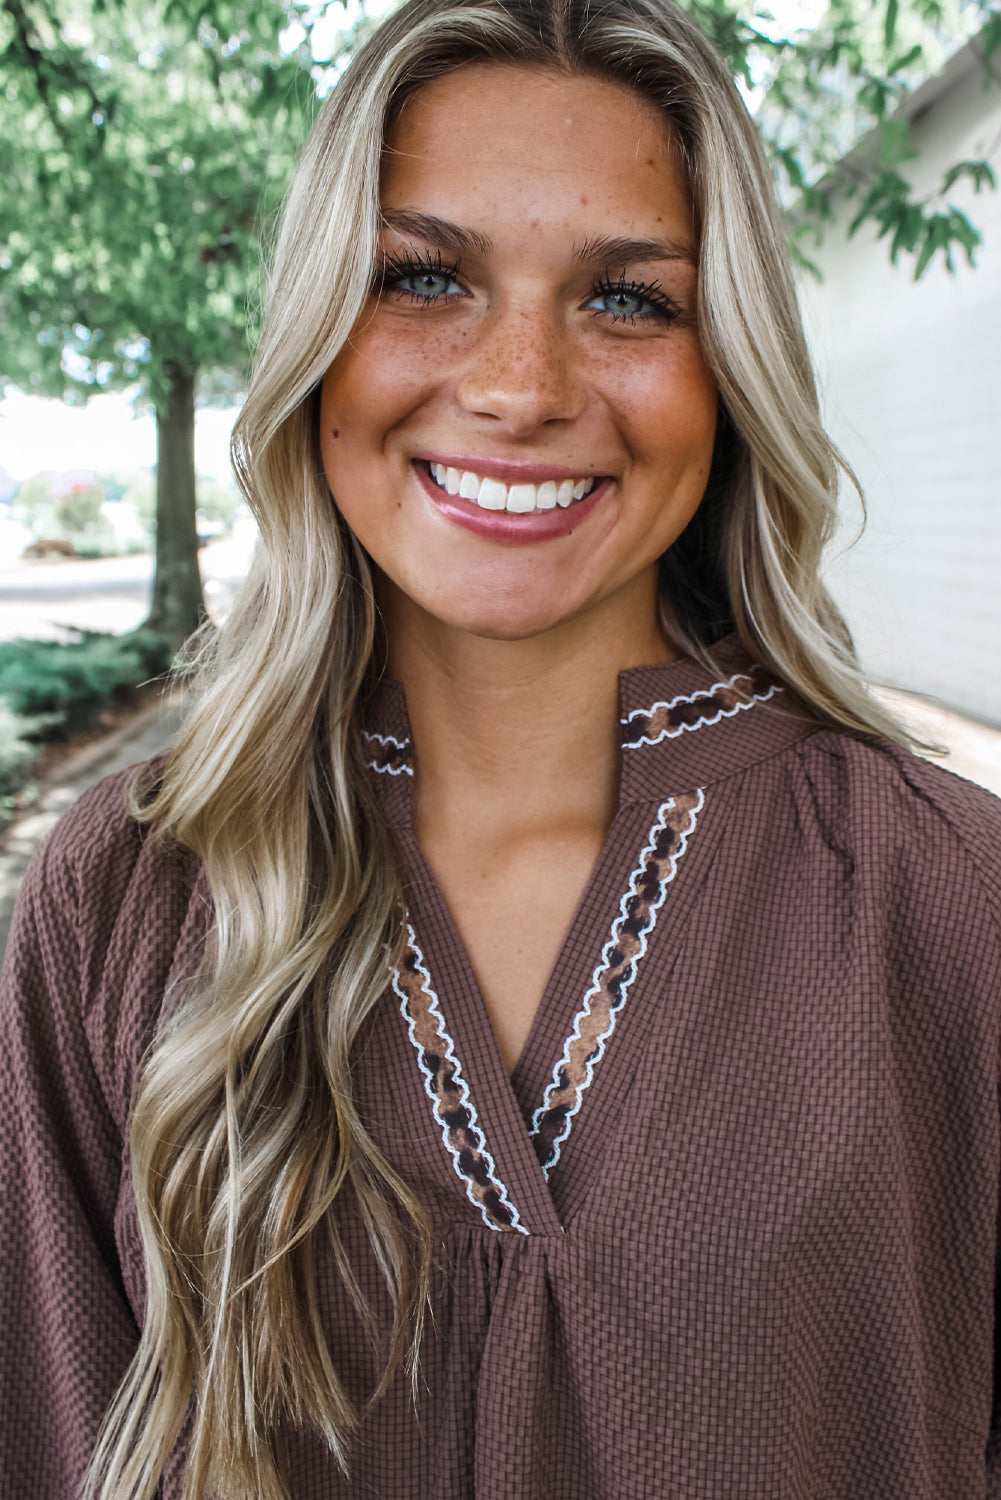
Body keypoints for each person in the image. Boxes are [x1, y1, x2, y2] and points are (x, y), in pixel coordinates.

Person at [2, 0, 1000, 1495]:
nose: (521, 387)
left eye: (629, 301)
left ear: (728, 376)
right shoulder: (127, 894)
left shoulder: (953, 903)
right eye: (420, 278)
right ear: (313, 346)